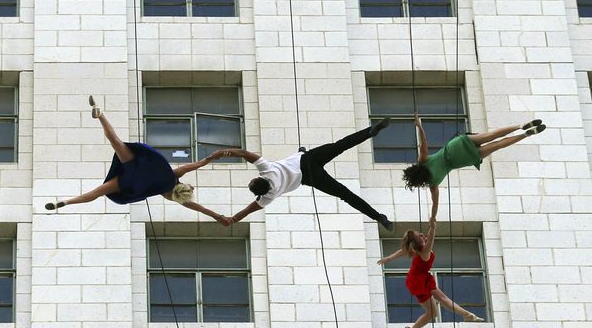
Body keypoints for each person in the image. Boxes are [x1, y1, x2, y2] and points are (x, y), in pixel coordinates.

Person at [44, 96, 232, 226]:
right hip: (130, 183)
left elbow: (193, 166)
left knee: (115, 142)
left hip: (137, 165)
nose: (194, 188)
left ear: (187, 189)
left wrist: (210, 158)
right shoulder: (170, 194)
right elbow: (199, 208)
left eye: (192, 188)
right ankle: (66, 202)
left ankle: (100, 115)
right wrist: (217, 216)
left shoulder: (173, 176)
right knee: (96, 193)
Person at [219, 119, 394, 229]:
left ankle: (378, 217)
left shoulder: (268, 197)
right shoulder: (267, 169)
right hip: (308, 160)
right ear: (259, 177)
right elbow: (245, 153)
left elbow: (247, 211)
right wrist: (228, 152)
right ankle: (369, 132)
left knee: (345, 195)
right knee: (340, 145)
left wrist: (233, 220)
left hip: (311, 178)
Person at [402, 114, 545, 215]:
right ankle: (520, 126)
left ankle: (526, 135)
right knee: (492, 135)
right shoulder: (422, 162)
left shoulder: (432, 184)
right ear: (414, 169)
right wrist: (419, 126)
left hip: (461, 159)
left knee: (497, 145)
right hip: (454, 146)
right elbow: (423, 144)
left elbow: (435, 202)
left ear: (420, 183)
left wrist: (433, 218)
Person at [377, 215, 484, 328]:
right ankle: (467, 315)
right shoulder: (424, 250)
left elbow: (402, 251)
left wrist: (388, 258)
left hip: (421, 277)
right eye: (420, 235)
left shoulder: (417, 249)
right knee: (437, 306)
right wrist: (433, 226)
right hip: (418, 281)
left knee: (435, 310)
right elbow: (431, 238)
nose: (422, 234)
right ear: (419, 242)